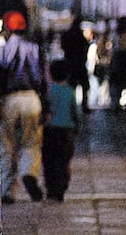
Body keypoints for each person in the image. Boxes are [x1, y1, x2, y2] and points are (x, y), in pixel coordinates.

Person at [0, 9, 50, 204]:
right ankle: (28, 172)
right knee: (31, 142)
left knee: (6, 145)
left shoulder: (0, 52)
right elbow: (45, 81)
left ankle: (7, 190)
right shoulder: (37, 50)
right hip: (32, 99)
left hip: (8, 100)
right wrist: (46, 108)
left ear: (6, 28)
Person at [42, 58, 81, 202]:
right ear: (67, 75)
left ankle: (51, 188)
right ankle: (62, 187)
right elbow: (76, 112)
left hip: (50, 130)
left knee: (49, 160)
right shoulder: (70, 92)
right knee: (64, 160)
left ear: (50, 74)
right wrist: (77, 127)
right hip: (67, 131)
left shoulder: (48, 91)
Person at [61, 15, 92, 112]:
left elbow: (64, 46)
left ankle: (71, 105)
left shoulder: (68, 34)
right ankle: (84, 105)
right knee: (84, 85)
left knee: (72, 85)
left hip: (70, 63)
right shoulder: (80, 35)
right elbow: (85, 47)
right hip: (79, 63)